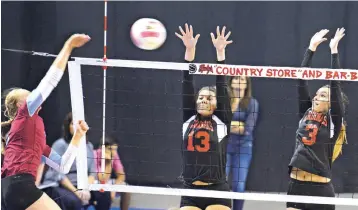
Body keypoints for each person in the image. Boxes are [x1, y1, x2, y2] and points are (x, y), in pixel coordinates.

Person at [1, 34, 91, 210]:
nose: (33, 96)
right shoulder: (25, 114)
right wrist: (69, 45)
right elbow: (49, 82)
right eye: (28, 94)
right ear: (21, 104)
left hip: (7, 191)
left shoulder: (30, 139)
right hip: (20, 186)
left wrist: (78, 136)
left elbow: (63, 166)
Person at [287, 28, 348, 210]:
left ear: (331, 103)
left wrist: (334, 51)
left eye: (322, 95)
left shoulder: (333, 121)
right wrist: (311, 48)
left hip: (320, 190)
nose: (315, 97)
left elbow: (335, 85)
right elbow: (301, 80)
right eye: (316, 94)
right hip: (296, 185)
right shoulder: (306, 112)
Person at [175, 23, 233, 210]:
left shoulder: (221, 120)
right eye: (200, 97)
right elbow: (187, 80)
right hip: (190, 190)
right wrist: (190, 49)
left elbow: (221, 83)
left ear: (217, 104)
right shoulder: (189, 118)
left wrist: (220, 54)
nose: (203, 101)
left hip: (217, 190)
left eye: (209, 98)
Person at [40, 112, 94, 209]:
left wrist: (85, 189)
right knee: (73, 201)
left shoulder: (89, 146)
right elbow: (59, 175)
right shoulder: (59, 145)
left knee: (103, 195)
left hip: (81, 185)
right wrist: (76, 192)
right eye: (73, 123)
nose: (77, 127)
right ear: (67, 126)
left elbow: (92, 172)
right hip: (58, 185)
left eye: (79, 123)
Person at [226, 76, 259, 210]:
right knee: (219, 181)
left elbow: (247, 129)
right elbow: (219, 124)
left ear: (247, 84)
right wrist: (237, 125)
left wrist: (230, 126)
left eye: (242, 79)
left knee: (239, 185)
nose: (239, 81)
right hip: (225, 146)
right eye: (236, 78)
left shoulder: (252, 103)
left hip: (244, 148)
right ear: (231, 82)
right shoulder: (224, 101)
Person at [93, 135, 130, 210]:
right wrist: (109, 162)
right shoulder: (94, 155)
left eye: (115, 149)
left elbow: (121, 175)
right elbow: (102, 180)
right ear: (102, 148)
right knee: (105, 194)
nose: (113, 152)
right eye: (110, 149)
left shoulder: (114, 155)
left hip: (106, 182)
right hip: (94, 182)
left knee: (127, 189)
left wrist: (114, 188)